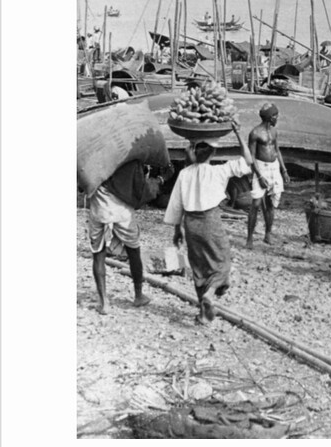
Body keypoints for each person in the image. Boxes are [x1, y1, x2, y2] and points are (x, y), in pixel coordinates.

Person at [164, 140, 252, 325]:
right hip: (210, 220)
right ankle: (210, 294)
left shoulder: (184, 173)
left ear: (194, 152)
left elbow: (176, 204)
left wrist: (177, 230)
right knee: (222, 261)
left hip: (191, 223)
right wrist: (237, 134)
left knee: (199, 266)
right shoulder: (218, 170)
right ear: (214, 153)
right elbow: (248, 160)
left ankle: (204, 315)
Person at [87, 159, 163, 315]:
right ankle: (138, 295)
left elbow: (83, 184)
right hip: (123, 213)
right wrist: (162, 179)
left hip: (99, 210)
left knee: (98, 254)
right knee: (133, 251)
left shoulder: (92, 155)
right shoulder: (129, 157)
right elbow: (141, 191)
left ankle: (104, 303)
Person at [247, 103, 290, 248]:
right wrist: (259, 176)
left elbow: (277, 150)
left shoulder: (274, 131)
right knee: (256, 203)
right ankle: (249, 238)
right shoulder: (255, 133)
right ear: (270, 117)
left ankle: (267, 235)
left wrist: (284, 170)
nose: (277, 118)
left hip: (274, 167)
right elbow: (251, 157)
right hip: (261, 167)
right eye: (275, 116)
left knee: (271, 203)